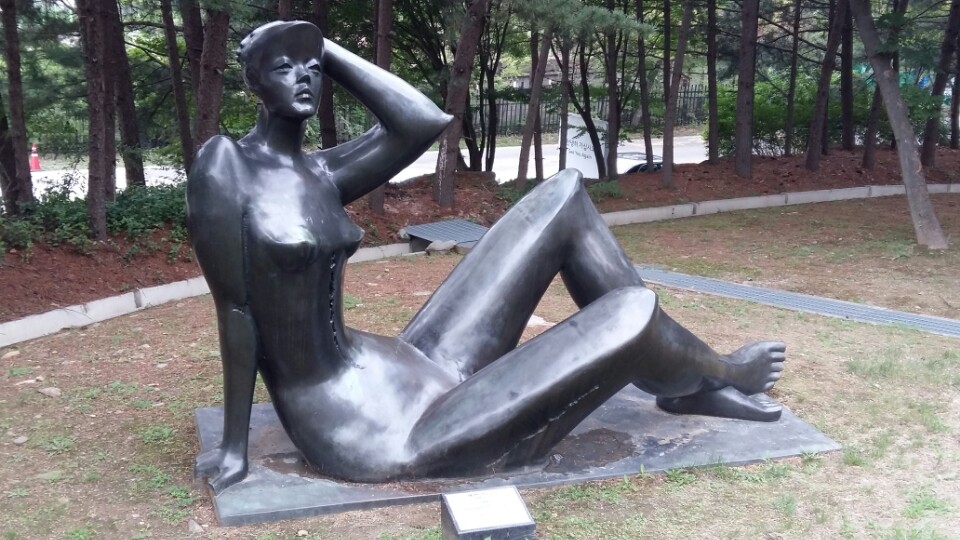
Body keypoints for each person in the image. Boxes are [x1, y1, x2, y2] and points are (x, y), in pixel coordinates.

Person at [188, 20, 786, 493]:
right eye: (283, 66)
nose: (304, 78)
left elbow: (421, 121)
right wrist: (235, 448)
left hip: (403, 364)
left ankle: (687, 382)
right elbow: (235, 311)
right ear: (253, 81)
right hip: (369, 428)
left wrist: (326, 49)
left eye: (312, 69)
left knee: (563, 196)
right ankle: (721, 372)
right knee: (632, 310)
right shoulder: (226, 166)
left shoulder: (320, 172)